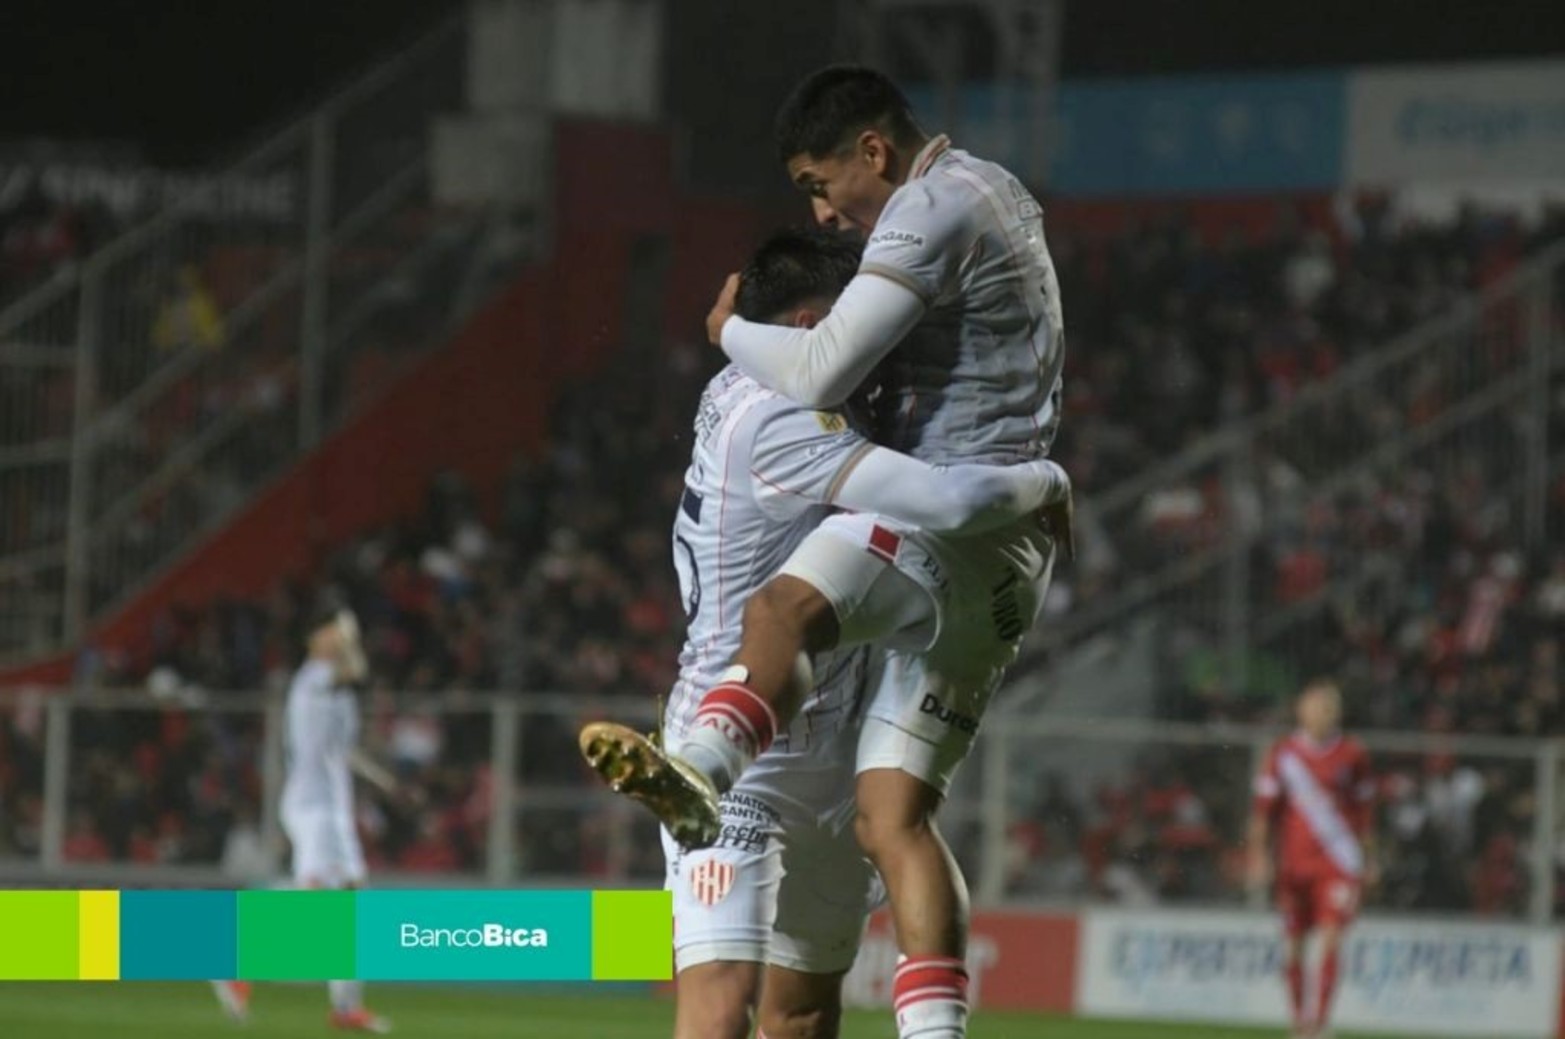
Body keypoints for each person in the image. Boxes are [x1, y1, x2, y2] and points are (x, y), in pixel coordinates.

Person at [581, 66, 1069, 1039]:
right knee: (735, 1003)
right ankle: (702, 775)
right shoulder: (779, 418)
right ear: (807, 323)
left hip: (828, 717)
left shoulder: (917, 234)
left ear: (873, 153)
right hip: (781, 722)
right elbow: (901, 459)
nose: (826, 211)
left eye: (819, 182)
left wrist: (728, 331)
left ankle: (701, 771)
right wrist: (1046, 483)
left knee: (803, 1011)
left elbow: (873, 412)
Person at [212, 593, 402, 1033]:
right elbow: (355, 670)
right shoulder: (314, 679)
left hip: (335, 805)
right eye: (337, 628)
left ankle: (346, 1007)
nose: (344, 637)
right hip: (311, 802)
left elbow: (342, 749)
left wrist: (383, 780)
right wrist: (351, 637)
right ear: (317, 637)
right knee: (315, 897)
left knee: (353, 903)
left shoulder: (338, 691)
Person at [1247, 679, 1378, 1039]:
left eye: (1328, 708)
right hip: (1294, 865)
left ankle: (1318, 1026)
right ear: (1300, 711)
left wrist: (1369, 859)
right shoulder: (1283, 754)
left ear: (1337, 713)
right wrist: (1259, 855)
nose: (1321, 715)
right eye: (1315, 707)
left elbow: (1365, 812)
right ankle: (1297, 1022)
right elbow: (1263, 811)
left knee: (1332, 938)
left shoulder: (1353, 755)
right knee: (1293, 947)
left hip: (1339, 862)